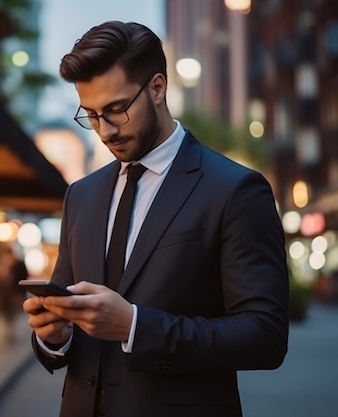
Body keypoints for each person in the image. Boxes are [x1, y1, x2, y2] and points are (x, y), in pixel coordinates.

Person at [22, 21, 289, 417]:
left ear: (158, 88)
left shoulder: (235, 190)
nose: (105, 131)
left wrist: (134, 325)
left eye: (116, 110)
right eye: (91, 115)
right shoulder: (81, 195)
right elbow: (71, 327)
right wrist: (54, 336)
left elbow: (264, 337)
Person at [0, 245, 28, 342]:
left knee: (15, 313)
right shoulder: (5, 265)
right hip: (6, 293)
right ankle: (10, 331)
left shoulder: (19, 264)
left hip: (16, 292)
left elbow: (24, 276)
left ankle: (13, 331)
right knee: (8, 313)